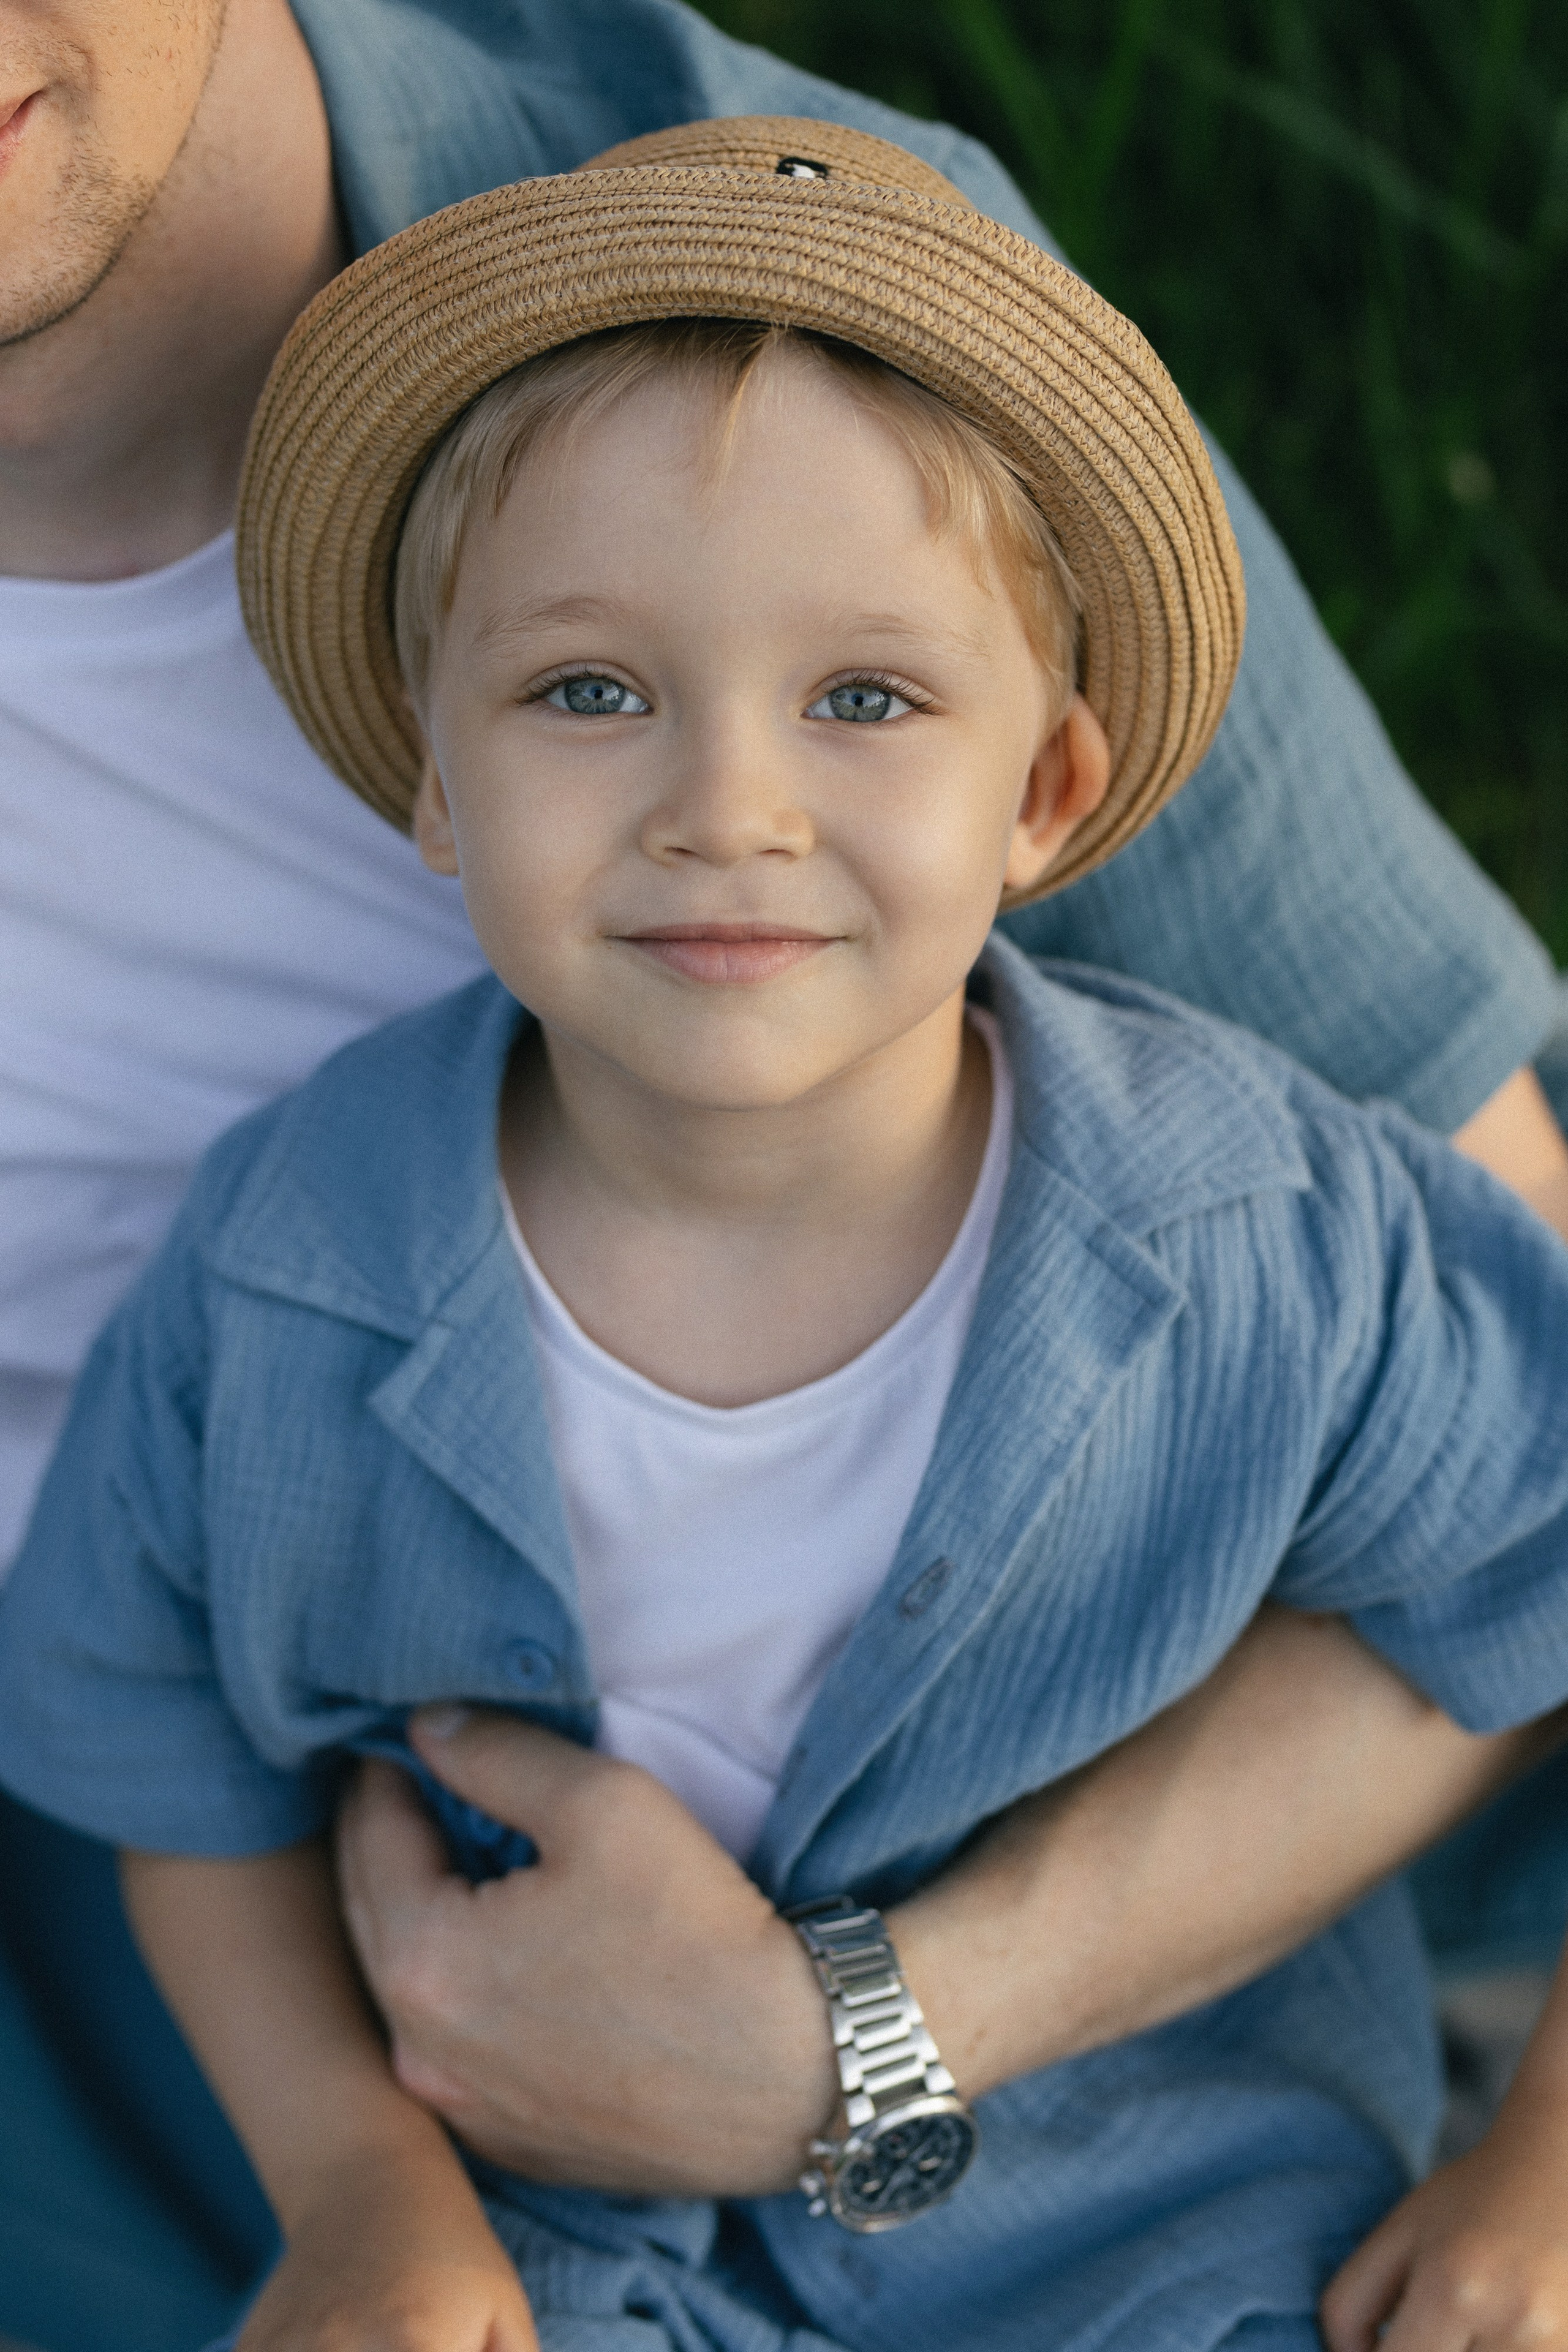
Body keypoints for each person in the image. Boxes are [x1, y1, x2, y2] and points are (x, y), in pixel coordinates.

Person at [2, 2, 1567, 2346]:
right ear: (426, 776)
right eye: (590, 695)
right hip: (500, 2194)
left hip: (1166, 2198)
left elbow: (1531, 1514)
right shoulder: (297, 1268)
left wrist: (1537, 2172)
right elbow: (140, 1724)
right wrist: (361, 2185)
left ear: (1051, 794)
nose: (729, 810)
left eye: (859, 701)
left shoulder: (1242, 1233)